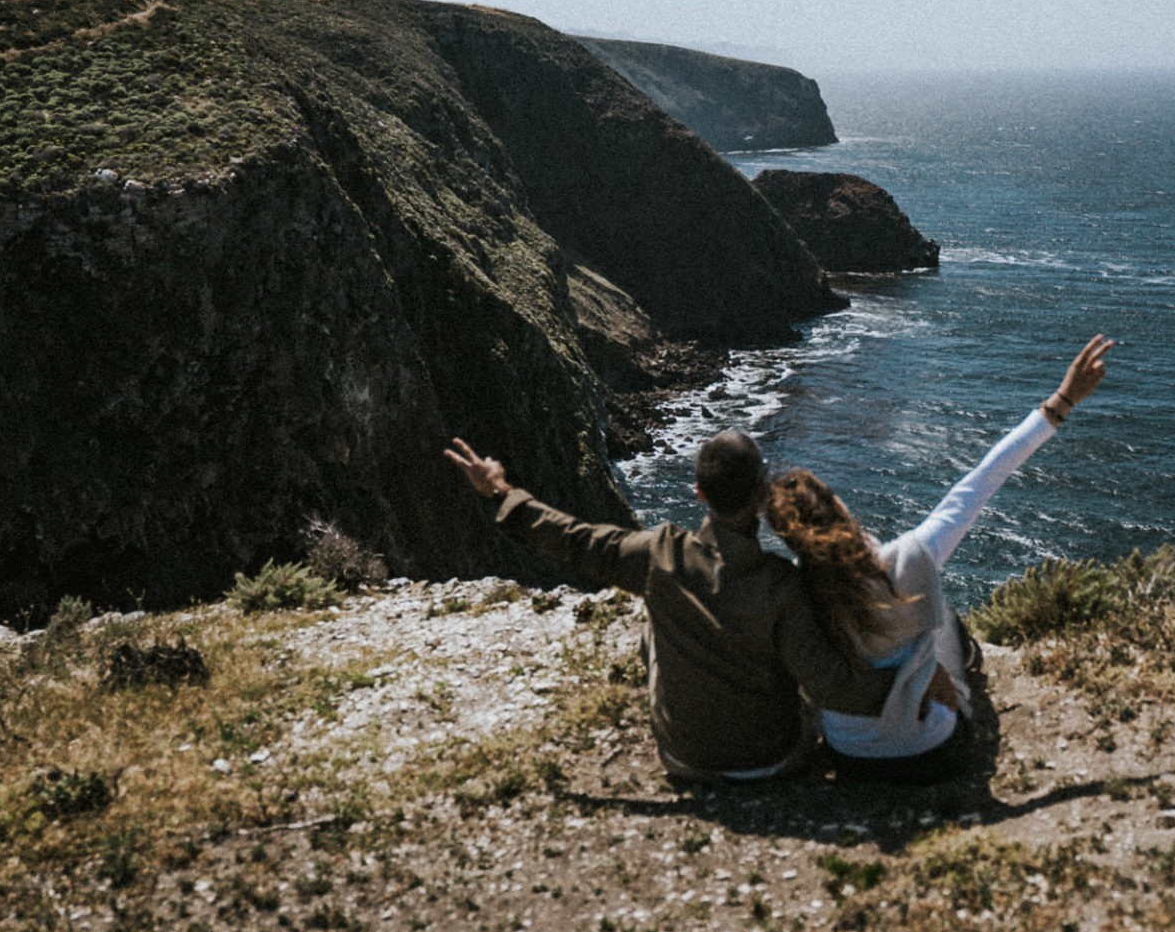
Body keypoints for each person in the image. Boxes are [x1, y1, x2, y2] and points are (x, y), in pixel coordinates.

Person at [443, 428, 900, 782]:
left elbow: (575, 540)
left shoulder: (658, 554)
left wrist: (502, 492)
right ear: (762, 495)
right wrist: (910, 682)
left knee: (654, 610)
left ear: (698, 491)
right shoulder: (782, 586)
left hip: (682, 757)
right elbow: (832, 690)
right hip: (767, 761)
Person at [765, 334, 1115, 784]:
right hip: (929, 749)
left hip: (848, 756)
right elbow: (979, 483)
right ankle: (960, 670)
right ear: (839, 511)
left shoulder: (791, 589)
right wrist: (1061, 401)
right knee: (944, 617)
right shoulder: (906, 559)